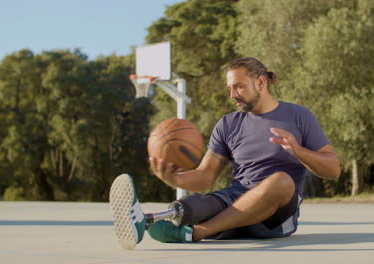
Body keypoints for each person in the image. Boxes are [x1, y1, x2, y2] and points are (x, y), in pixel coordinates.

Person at [109, 57, 340, 250]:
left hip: (276, 215)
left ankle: (198, 232)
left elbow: (333, 169)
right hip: (236, 199)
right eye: (230, 88)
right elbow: (205, 175)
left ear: (260, 82)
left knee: (281, 181)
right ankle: (145, 220)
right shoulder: (228, 124)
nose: (232, 95)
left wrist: (299, 151)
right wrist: (173, 179)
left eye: (239, 86)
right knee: (196, 205)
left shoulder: (299, 116)